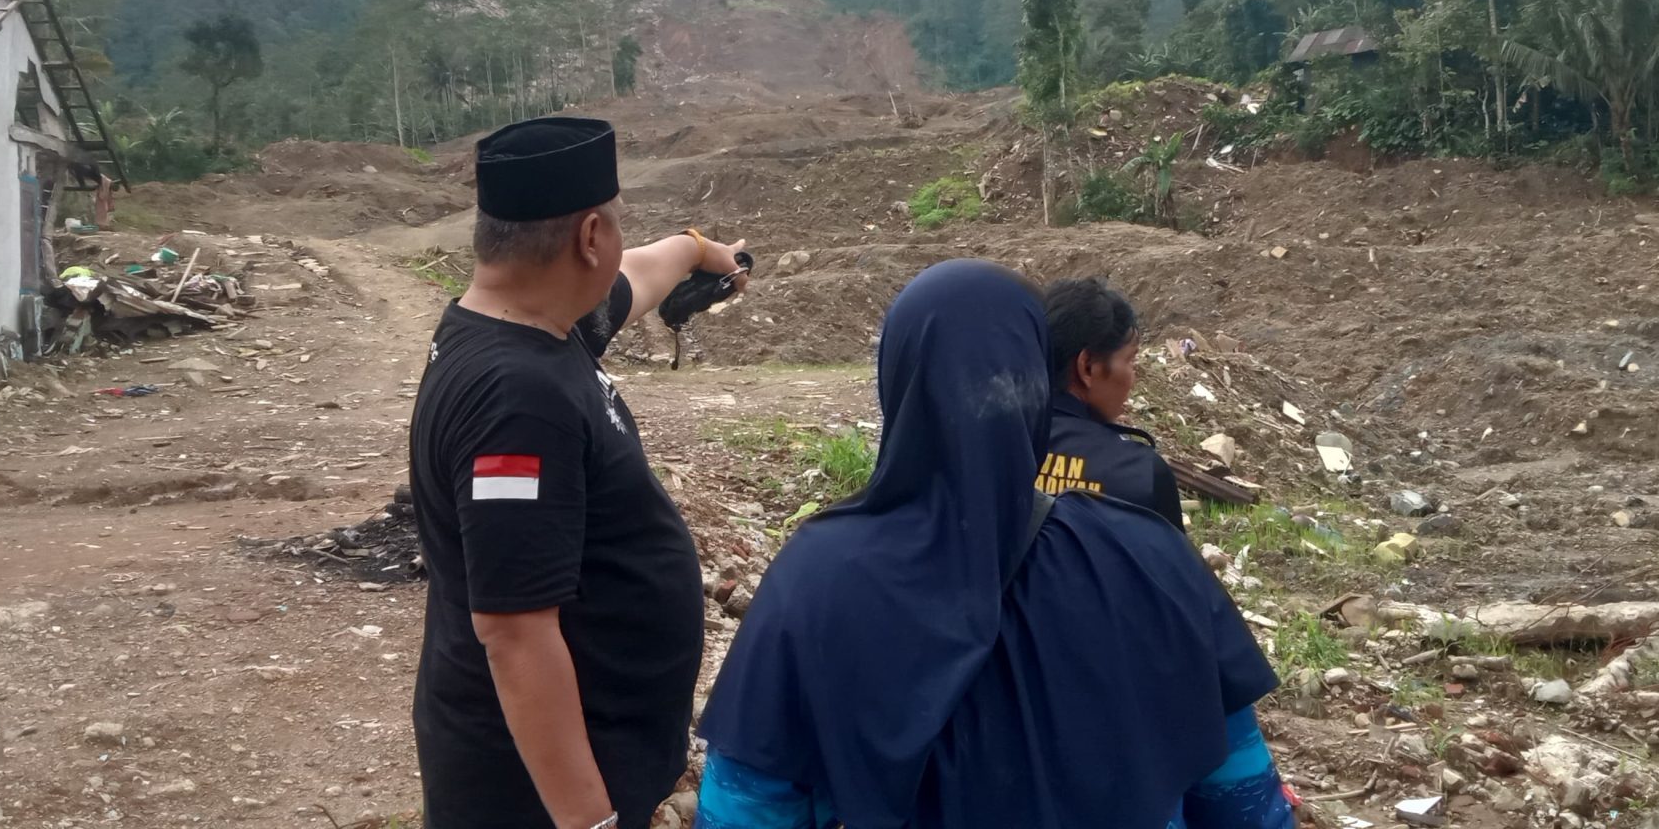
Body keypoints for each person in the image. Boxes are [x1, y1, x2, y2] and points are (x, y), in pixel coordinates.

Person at [693, 261, 1293, 829]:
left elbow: (746, 806)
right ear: (1038, 380)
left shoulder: (814, 581)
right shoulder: (1152, 557)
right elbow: (1244, 798)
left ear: (897, 381)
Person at [407, 116, 750, 829]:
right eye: (616, 227)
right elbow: (514, 632)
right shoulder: (517, 400)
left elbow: (636, 278)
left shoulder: (528, 324)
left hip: (577, 761)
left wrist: (698, 251)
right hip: (535, 793)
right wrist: (589, 822)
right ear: (589, 237)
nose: (622, 244)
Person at [1038, 277, 1183, 530]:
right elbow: (1172, 567)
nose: (1132, 377)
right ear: (1088, 367)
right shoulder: (1142, 474)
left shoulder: (991, 450)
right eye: (1129, 361)